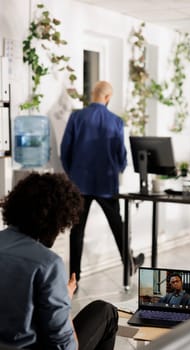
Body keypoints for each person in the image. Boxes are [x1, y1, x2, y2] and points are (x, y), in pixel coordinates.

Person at [0, 172, 118, 350]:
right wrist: (65, 299)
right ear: (57, 220)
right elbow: (66, 347)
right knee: (106, 312)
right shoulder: (48, 264)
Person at [60, 80, 144, 284]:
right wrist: (118, 169)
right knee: (117, 225)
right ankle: (129, 262)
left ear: (93, 95)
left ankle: (74, 278)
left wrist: (73, 174)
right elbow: (121, 155)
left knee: (77, 230)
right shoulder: (115, 121)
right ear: (108, 98)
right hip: (106, 183)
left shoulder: (76, 117)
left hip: (79, 183)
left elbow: (65, 150)